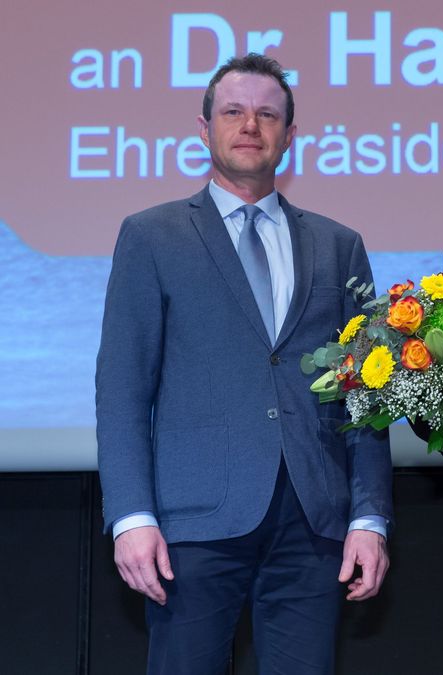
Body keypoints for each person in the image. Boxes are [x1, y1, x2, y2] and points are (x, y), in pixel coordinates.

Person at [95, 53, 393, 674]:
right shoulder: (151, 236)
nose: (250, 125)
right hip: (193, 524)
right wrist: (130, 516)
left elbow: (367, 393)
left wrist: (369, 516)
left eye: (267, 114)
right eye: (233, 112)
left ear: (290, 134)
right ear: (204, 129)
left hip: (313, 522)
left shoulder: (339, 246)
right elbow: (122, 391)